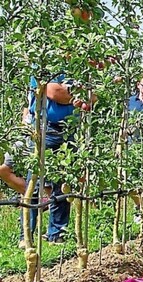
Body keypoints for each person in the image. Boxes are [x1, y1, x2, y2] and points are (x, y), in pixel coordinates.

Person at [18, 75, 90, 244]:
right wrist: (79, 96)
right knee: (35, 183)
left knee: (64, 182)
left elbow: (93, 96)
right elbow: (54, 92)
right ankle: (26, 235)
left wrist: (78, 96)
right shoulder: (46, 62)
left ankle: (57, 233)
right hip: (45, 128)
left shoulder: (75, 66)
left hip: (69, 128)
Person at [127, 75, 143, 223]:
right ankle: (139, 207)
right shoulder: (130, 102)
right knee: (131, 182)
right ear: (138, 85)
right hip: (132, 147)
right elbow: (123, 123)